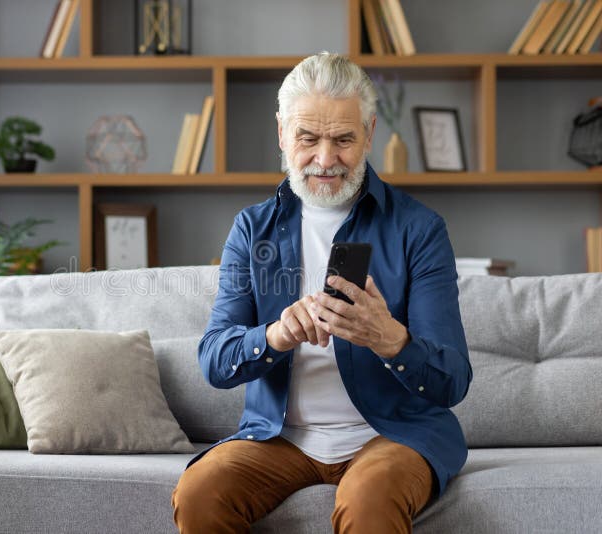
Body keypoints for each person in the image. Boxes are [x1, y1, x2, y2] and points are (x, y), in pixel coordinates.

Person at [171, 52, 472, 534]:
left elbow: (452, 380)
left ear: (370, 133)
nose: (325, 159)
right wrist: (274, 336)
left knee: (368, 499)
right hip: (280, 441)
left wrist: (388, 337)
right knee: (200, 492)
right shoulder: (252, 230)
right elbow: (213, 359)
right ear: (282, 135)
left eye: (344, 139)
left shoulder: (418, 229)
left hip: (393, 435)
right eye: (308, 139)